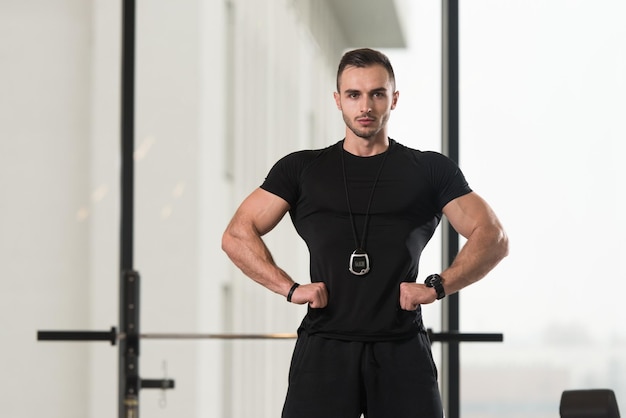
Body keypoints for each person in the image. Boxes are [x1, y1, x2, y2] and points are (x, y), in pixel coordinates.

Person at [221, 48, 509, 418]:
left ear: (394, 99)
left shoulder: (429, 170)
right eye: (354, 95)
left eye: (377, 93)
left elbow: (494, 237)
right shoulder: (301, 169)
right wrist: (290, 288)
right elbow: (237, 234)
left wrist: (438, 286)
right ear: (338, 100)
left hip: (402, 348)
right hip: (325, 347)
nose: (366, 106)